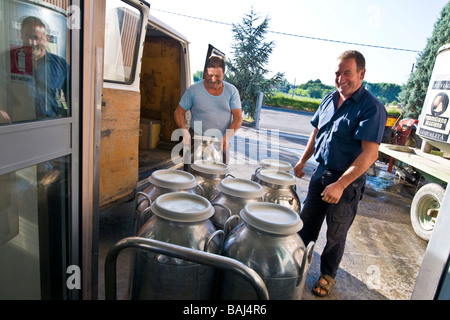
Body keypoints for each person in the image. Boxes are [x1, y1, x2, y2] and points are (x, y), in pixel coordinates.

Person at [294, 50, 387, 297]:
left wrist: (340, 184)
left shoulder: (371, 108)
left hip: (347, 183)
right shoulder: (329, 98)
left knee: (336, 235)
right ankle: (297, 263)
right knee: (306, 225)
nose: (340, 78)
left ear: (361, 73)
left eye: (347, 72)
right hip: (320, 173)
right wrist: (303, 160)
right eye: (337, 72)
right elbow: (316, 133)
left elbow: (369, 155)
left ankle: (327, 275)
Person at [173, 55, 242, 166]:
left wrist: (227, 137)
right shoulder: (193, 90)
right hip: (196, 138)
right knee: (191, 174)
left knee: (218, 176)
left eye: (218, 76)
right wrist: (184, 131)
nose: (213, 80)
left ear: (223, 74)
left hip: (221, 140)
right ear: (204, 73)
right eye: (210, 75)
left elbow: (238, 118)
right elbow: (178, 112)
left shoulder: (232, 91)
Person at [0, 16, 70, 124]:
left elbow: (73, 98)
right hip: (15, 126)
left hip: (51, 125)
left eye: (36, 38)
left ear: (47, 39)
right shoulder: (5, 60)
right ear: (21, 36)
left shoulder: (61, 65)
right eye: (27, 36)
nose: (31, 42)